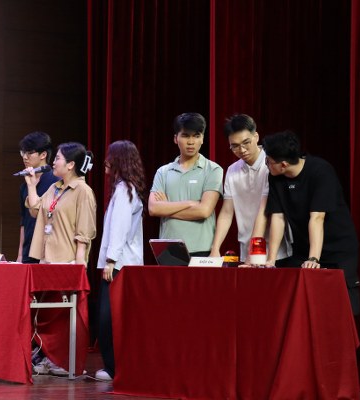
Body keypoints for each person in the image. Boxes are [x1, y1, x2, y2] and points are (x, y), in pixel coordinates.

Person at [262, 130, 360, 315]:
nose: (266, 164)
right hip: (303, 247)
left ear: (283, 164)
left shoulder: (320, 171)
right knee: (303, 303)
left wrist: (313, 258)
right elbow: (278, 217)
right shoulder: (275, 177)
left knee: (340, 304)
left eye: (268, 161)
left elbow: (317, 217)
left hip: (337, 248)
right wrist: (271, 259)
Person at [24, 141, 97, 375]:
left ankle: (66, 362)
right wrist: (32, 185)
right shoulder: (54, 188)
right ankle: (50, 357)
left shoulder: (82, 191)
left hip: (67, 261)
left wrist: (79, 263)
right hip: (47, 259)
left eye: (57, 158)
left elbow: (85, 230)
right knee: (48, 313)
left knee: (65, 314)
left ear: (71, 164)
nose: (54, 162)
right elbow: (35, 209)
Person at [95, 140, 145, 382]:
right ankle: (114, 366)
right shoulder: (124, 189)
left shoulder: (125, 190)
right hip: (120, 263)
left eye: (110, 156)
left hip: (119, 264)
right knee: (111, 316)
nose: (106, 161)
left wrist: (111, 260)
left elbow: (120, 228)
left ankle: (114, 367)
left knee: (109, 317)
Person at [209, 114, 291, 263]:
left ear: (256, 137)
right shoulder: (232, 170)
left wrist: (252, 254)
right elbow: (227, 212)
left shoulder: (271, 166)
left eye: (246, 142)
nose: (242, 150)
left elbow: (264, 212)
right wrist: (215, 248)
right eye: (235, 146)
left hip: (276, 252)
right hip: (246, 249)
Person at [148, 112, 223, 256]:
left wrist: (167, 208)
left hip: (202, 249)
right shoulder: (163, 172)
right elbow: (154, 209)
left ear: (202, 139)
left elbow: (204, 211)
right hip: (168, 249)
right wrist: (190, 203)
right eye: (185, 136)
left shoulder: (213, 169)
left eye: (196, 136)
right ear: (175, 138)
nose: (191, 141)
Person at [17, 131, 59, 263]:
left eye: (29, 153)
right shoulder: (25, 185)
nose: (25, 157)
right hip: (28, 252)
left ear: (43, 155)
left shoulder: (56, 183)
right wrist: (20, 255)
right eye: (23, 152)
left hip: (48, 252)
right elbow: (24, 222)